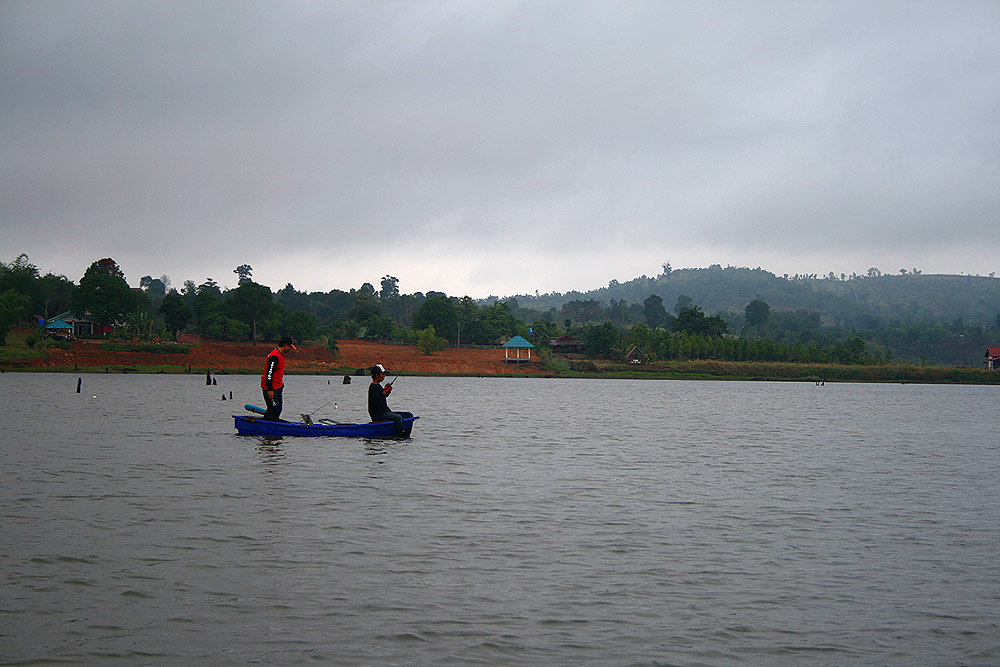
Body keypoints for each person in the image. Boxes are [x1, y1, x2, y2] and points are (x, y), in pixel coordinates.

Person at [368, 364, 413, 436]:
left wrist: (387, 392)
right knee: (398, 418)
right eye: (382, 374)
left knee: (409, 415)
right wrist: (384, 392)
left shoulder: (378, 386)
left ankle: (406, 435)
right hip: (378, 415)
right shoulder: (373, 387)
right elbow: (377, 402)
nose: (384, 376)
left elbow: (382, 397)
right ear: (377, 375)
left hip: (385, 412)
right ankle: (400, 436)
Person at [260, 336, 296, 421]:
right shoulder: (274, 356)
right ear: (286, 345)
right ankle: (265, 427)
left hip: (278, 387)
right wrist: (270, 390)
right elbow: (269, 374)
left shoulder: (281, 355)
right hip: (270, 387)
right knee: (273, 409)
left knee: (278, 409)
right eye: (290, 347)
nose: (290, 349)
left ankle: (273, 429)